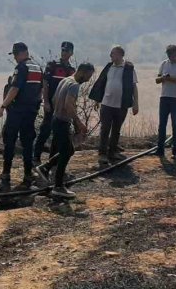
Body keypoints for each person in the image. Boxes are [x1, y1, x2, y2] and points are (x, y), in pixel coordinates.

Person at [0, 42, 43, 191]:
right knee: (28, 142)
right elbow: (41, 90)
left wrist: (3, 106)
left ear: (20, 53)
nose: (15, 58)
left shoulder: (21, 68)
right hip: (31, 111)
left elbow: (15, 88)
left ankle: (6, 174)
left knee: (9, 140)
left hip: (17, 111)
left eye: (15, 55)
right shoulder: (37, 67)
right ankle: (28, 174)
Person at [48, 62, 95, 199]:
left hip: (56, 119)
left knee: (62, 150)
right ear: (83, 72)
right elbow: (69, 105)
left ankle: (45, 168)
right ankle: (58, 186)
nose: (88, 79)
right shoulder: (74, 85)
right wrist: (78, 123)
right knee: (67, 151)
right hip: (62, 122)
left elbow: (54, 99)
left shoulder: (65, 80)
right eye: (88, 76)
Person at [88, 45, 139, 165]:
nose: (111, 56)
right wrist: (97, 100)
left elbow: (134, 87)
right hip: (106, 104)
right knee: (105, 129)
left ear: (120, 55)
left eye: (113, 53)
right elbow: (101, 83)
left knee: (116, 129)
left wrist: (136, 104)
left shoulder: (129, 68)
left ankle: (112, 152)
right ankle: (102, 153)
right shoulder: (108, 67)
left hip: (121, 105)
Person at [34, 41, 76, 165]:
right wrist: (46, 101)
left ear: (71, 53)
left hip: (63, 107)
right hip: (51, 104)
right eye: (63, 50)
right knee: (45, 131)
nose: (64, 53)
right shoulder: (52, 65)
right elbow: (45, 84)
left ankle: (52, 160)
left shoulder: (71, 70)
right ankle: (35, 157)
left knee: (58, 134)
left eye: (67, 51)